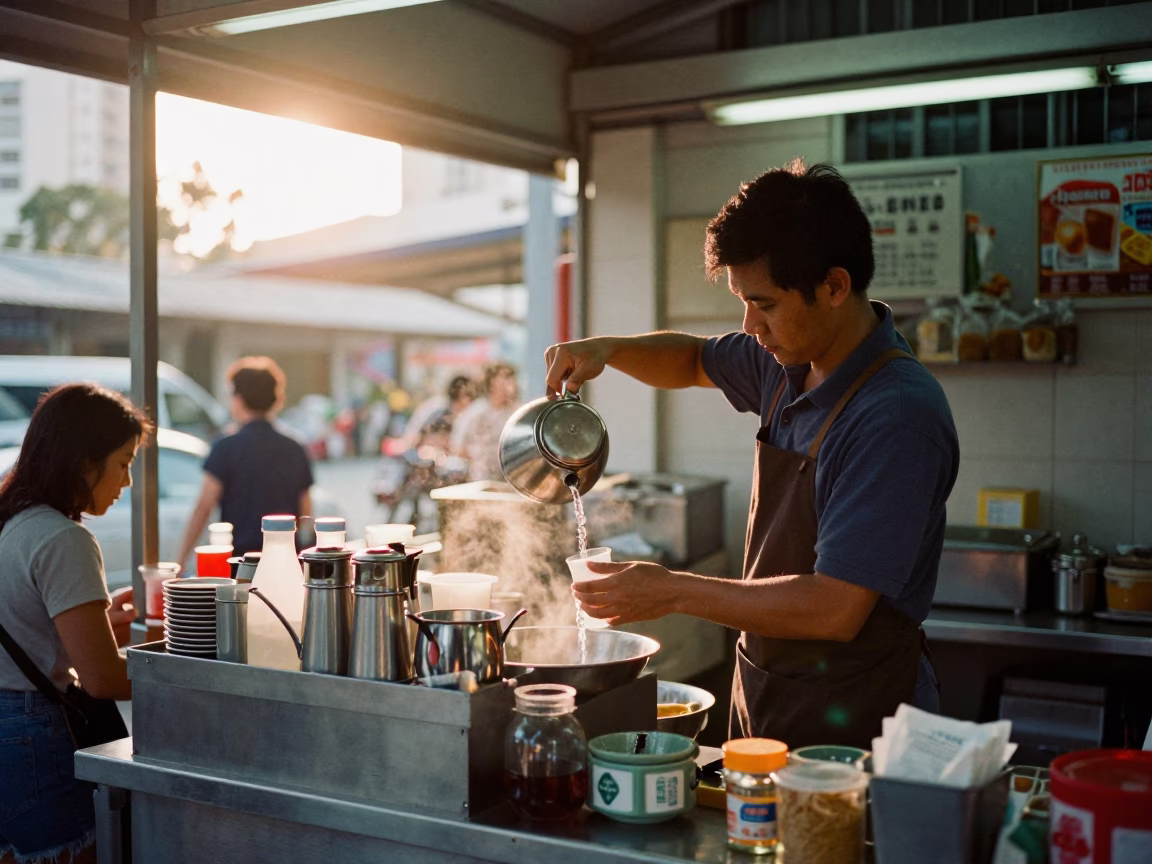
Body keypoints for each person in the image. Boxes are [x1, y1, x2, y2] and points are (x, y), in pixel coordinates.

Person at [548, 161, 958, 750]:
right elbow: (692, 360)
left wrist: (672, 590)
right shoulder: (788, 360)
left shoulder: (894, 416)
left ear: (835, 286)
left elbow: (832, 607)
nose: (750, 326)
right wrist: (607, 349)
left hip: (864, 715)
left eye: (763, 304)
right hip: (773, 691)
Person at [0, 383, 149, 864]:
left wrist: (102, 626)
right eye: (124, 462)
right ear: (85, 460)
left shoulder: (12, 516)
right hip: (30, 733)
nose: (127, 482)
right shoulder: (64, 538)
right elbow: (103, 678)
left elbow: (23, 626)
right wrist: (186, 670)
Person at [178, 356, 313, 564]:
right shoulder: (295, 448)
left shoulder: (226, 447)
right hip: (286, 561)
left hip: (239, 565)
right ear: (275, 398)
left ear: (238, 399)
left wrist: (180, 561)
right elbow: (306, 514)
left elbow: (204, 507)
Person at [449, 363, 519, 482]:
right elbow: (457, 447)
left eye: (511, 379)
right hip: (481, 481)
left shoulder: (517, 413)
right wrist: (478, 455)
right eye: (504, 379)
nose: (510, 384)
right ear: (491, 383)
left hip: (512, 481)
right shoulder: (475, 413)